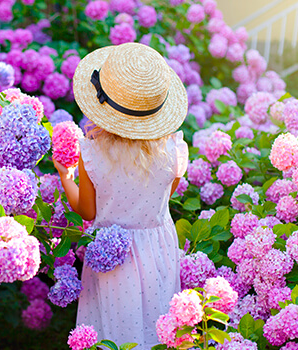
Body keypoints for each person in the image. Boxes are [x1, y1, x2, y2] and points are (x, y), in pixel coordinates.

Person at [53, 42, 189, 348]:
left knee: (112, 328)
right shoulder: (174, 151)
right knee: (157, 327)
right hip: (158, 253)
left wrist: (65, 176)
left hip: (112, 256)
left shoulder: (92, 155)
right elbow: (163, 200)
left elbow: (87, 212)